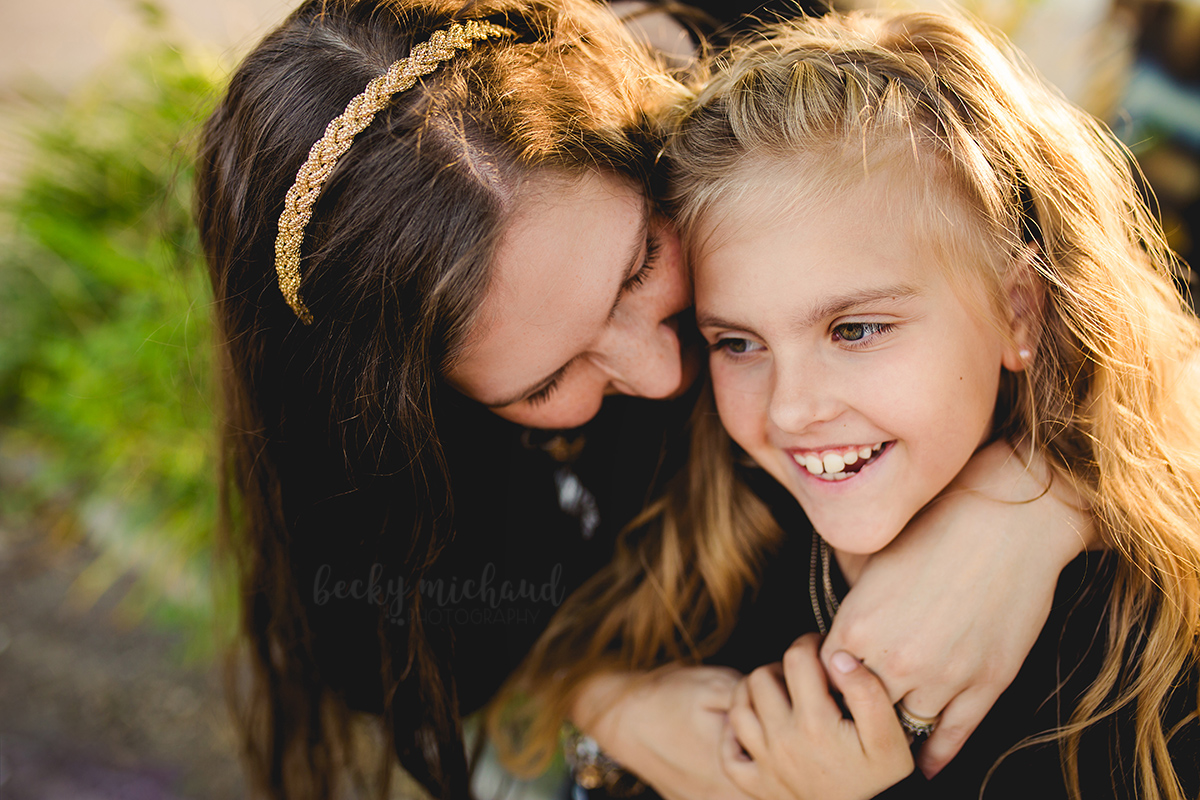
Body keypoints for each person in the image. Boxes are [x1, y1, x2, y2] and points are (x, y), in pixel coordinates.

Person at [195, 1, 1096, 798]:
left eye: (639, 267)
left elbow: (1121, 311)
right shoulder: (382, 437)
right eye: (546, 382)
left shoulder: (773, 100)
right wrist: (608, 703)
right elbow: (387, 645)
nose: (666, 375)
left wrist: (1035, 502)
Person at [503, 8, 1200, 799]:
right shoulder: (708, 540)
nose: (792, 410)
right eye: (738, 342)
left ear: (1020, 312)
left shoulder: (1142, 652)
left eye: (857, 328)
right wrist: (611, 711)